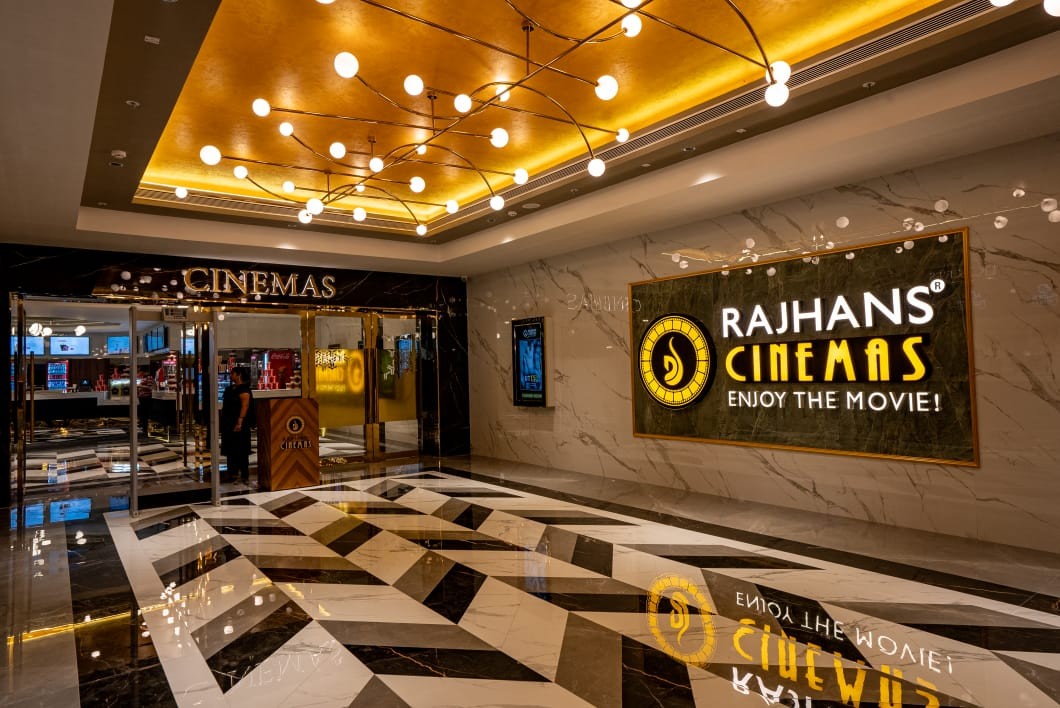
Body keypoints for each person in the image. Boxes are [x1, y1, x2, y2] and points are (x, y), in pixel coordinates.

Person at [220, 366, 254, 484]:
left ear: (239, 375)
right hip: (229, 423)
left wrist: (240, 421)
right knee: (230, 449)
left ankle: (244, 474)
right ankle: (232, 473)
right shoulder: (230, 389)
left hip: (239, 424)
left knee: (241, 449)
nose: (230, 376)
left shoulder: (244, 390)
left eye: (232, 373)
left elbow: (245, 406)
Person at [135, 367, 154, 436]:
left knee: (144, 414)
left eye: (140, 372)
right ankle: (143, 428)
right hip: (142, 398)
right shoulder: (142, 378)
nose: (139, 373)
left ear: (143, 372)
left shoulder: (149, 378)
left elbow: (150, 388)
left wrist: (140, 386)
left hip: (146, 398)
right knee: (142, 414)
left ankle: (145, 429)